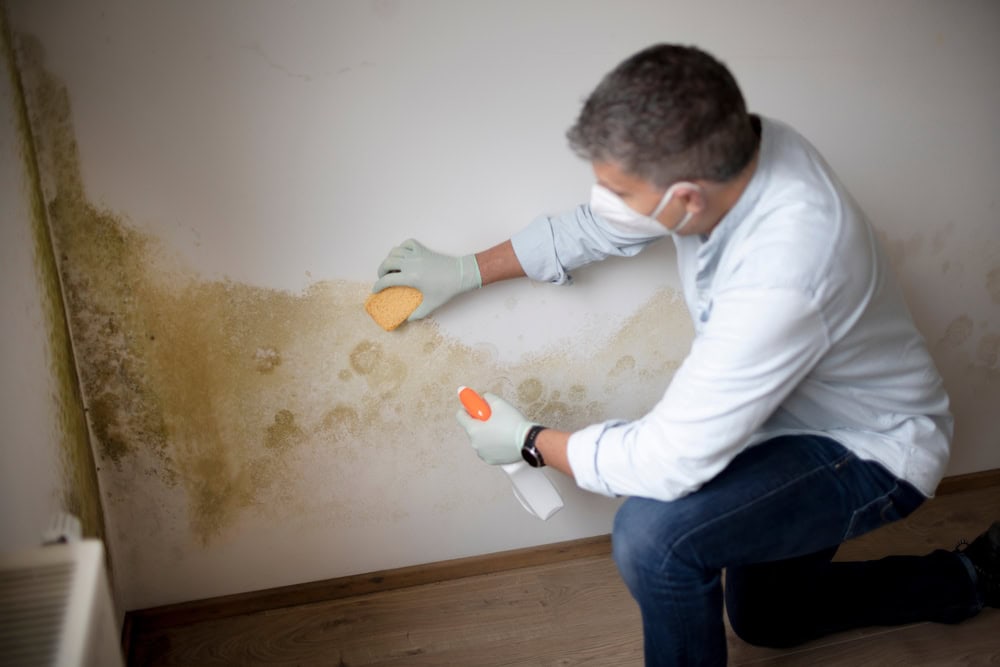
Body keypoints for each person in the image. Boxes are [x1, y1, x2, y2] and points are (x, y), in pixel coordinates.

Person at [372, 44, 999, 666]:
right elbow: (600, 227)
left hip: (869, 446)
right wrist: (465, 271)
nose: (606, 201)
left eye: (619, 189)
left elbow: (668, 461)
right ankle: (971, 577)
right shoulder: (731, 150)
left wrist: (529, 440)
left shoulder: (788, 267)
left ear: (685, 197)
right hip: (782, 420)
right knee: (768, 621)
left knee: (653, 539)